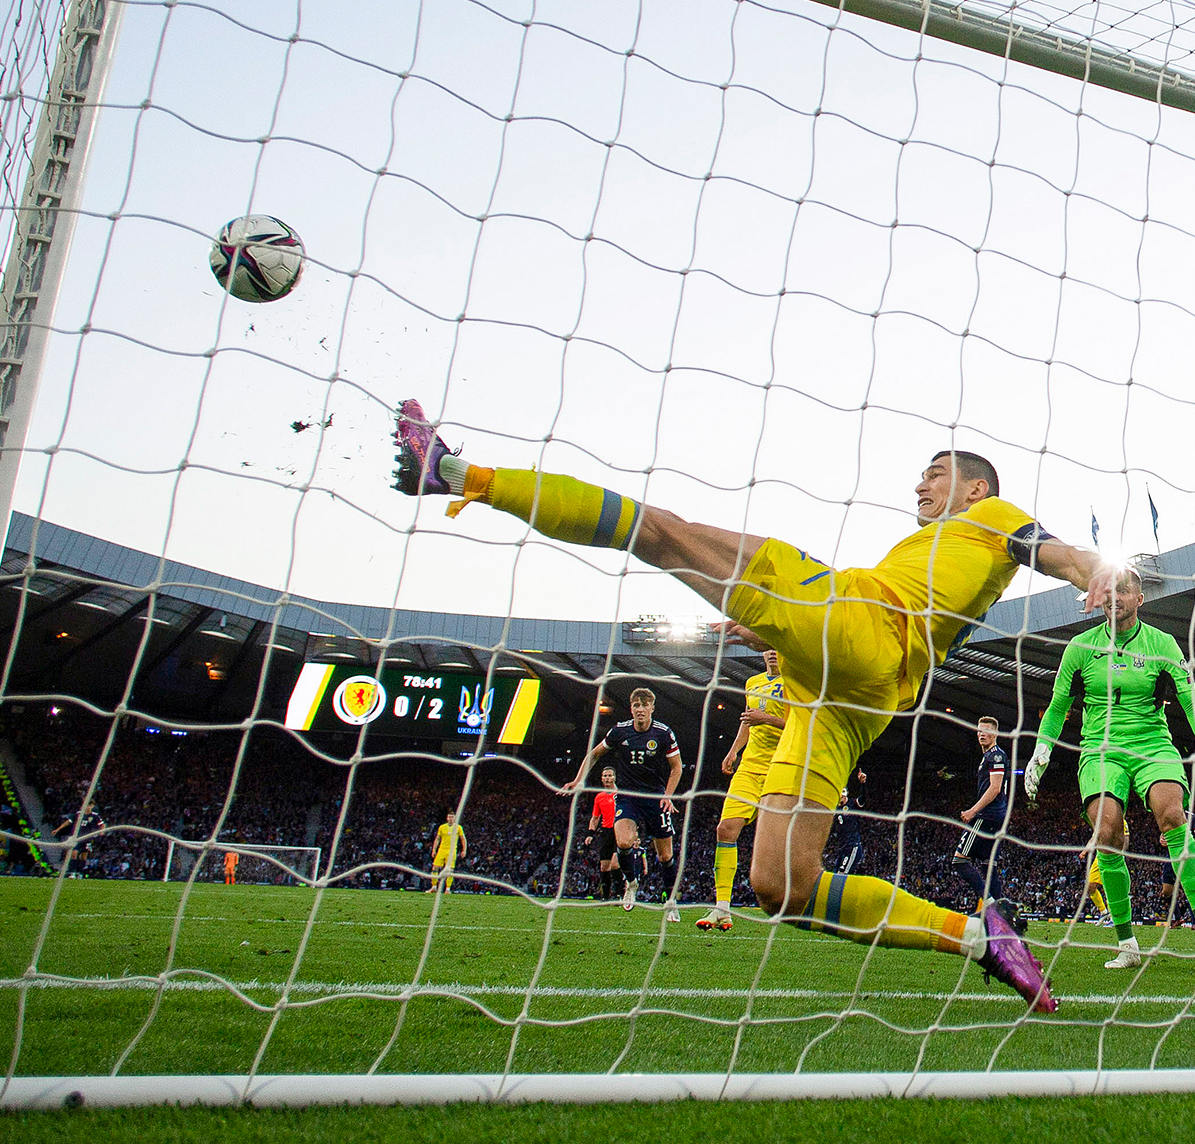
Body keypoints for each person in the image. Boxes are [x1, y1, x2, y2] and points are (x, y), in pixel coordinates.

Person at [397, 406, 1097, 1010]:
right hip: (848, 698)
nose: (921, 481)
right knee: (780, 884)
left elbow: (1047, 548)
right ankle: (981, 937)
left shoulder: (993, 514)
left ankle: (461, 477)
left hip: (866, 618)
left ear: (974, 487)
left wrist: (1091, 569)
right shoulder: (939, 548)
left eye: (936, 471)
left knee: (664, 533)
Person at [1025, 566, 1195, 970]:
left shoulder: (1161, 643)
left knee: (1172, 815)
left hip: (1152, 744)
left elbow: (1189, 699)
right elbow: (1058, 704)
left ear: (1140, 599)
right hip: (1100, 748)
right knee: (1107, 831)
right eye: (1107, 592)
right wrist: (1041, 748)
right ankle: (1128, 945)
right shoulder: (1079, 647)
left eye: (1123, 591)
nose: (1114, 598)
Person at [564, 688, 683, 916]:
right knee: (625, 842)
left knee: (665, 856)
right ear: (631, 708)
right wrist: (579, 780)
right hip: (627, 796)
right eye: (636, 706)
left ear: (652, 708)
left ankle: (671, 901)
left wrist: (668, 795)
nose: (640, 709)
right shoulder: (620, 731)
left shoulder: (663, 733)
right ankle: (632, 883)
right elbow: (595, 753)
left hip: (655, 798)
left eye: (644, 705)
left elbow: (676, 767)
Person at [700, 650, 788, 931]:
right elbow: (748, 721)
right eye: (768, 647)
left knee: (777, 839)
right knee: (725, 829)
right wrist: (733, 751)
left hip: (782, 768)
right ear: (763, 653)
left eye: (778, 646)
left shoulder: (799, 682)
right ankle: (722, 908)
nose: (773, 652)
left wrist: (768, 719)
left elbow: (806, 726)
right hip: (749, 769)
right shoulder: (752, 683)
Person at [952, 717, 1013, 916]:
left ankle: (989, 904)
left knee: (959, 861)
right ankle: (1003, 915)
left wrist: (972, 811)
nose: (981, 734)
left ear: (995, 734)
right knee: (989, 867)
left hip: (987, 816)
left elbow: (995, 788)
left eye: (986, 731)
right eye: (979, 731)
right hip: (998, 817)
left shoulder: (995, 756)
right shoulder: (989, 756)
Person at [582, 767, 623, 900]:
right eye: (604, 775)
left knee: (615, 864)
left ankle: (620, 894)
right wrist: (590, 834)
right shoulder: (599, 797)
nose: (607, 778)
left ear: (614, 777)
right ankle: (605, 896)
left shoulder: (621, 794)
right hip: (606, 832)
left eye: (609, 775)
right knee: (604, 867)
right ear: (601, 778)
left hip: (619, 830)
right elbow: (595, 818)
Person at [829, 771, 867, 876]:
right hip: (842, 848)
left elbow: (863, 799)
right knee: (835, 875)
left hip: (852, 846)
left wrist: (863, 783)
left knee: (842, 875)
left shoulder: (852, 804)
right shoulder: (836, 809)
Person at [428, 809, 466, 893]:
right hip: (441, 850)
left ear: (455, 818)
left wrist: (464, 850)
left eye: (452, 817)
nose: (450, 818)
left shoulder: (458, 827)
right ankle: (434, 887)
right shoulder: (442, 827)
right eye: (449, 817)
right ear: (447, 818)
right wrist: (434, 850)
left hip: (451, 851)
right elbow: (437, 839)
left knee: (449, 870)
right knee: (435, 868)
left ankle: (447, 889)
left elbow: (463, 839)